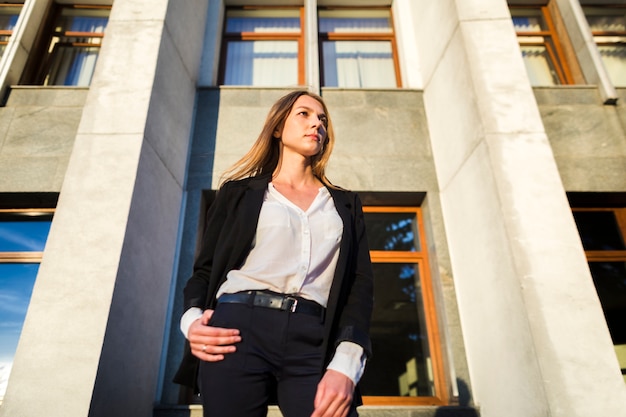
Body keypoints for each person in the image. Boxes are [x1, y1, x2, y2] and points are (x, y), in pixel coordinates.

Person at [173, 90, 374, 417]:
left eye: (322, 120)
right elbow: (205, 272)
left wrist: (348, 363)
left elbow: (359, 288)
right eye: (304, 114)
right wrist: (192, 322)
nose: (317, 125)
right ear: (278, 128)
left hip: (314, 338)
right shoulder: (239, 194)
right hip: (236, 330)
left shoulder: (345, 206)